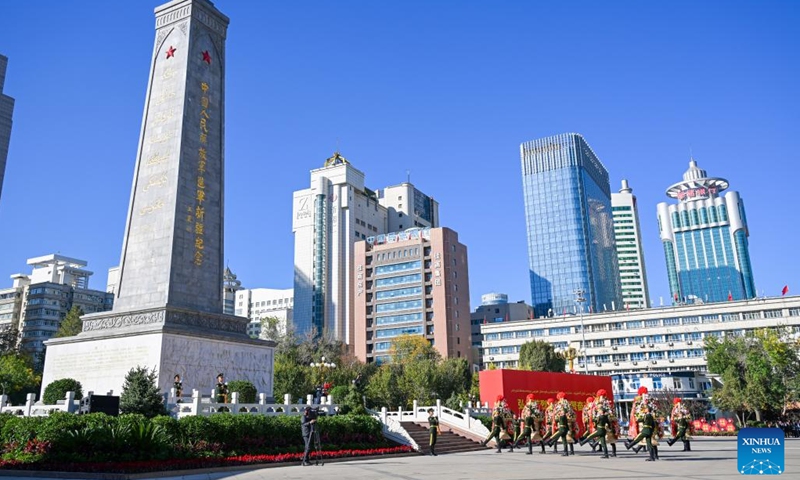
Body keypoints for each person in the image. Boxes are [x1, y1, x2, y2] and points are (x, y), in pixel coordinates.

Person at [580, 390, 613, 459]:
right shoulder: (605, 416)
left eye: (599, 409)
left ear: (601, 411)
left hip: (600, 430)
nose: (598, 410)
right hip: (603, 430)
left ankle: (582, 443)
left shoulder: (600, 416)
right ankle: (606, 454)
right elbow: (608, 423)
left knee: (590, 436)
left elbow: (595, 420)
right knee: (603, 443)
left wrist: (593, 417)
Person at [546, 392, 575, 456]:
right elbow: (573, 415)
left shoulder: (560, 405)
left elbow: (556, 415)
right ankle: (568, 451)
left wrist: (555, 420)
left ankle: (550, 442)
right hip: (568, 424)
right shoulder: (569, 404)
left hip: (562, 424)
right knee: (566, 438)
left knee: (563, 436)